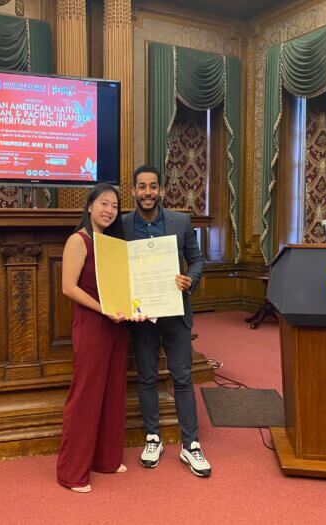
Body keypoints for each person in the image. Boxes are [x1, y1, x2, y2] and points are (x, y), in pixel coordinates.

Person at [122, 165, 211, 478]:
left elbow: (198, 259)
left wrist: (191, 278)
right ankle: (153, 437)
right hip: (141, 315)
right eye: (142, 187)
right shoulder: (122, 225)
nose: (147, 193)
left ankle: (191, 444)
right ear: (133, 191)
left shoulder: (180, 221)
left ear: (160, 190)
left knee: (182, 376)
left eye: (153, 187)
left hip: (175, 311)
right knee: (146, 377)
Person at [56, 183, 131, 493]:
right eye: (103, 203)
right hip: (92, 323)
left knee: (113, 392)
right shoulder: (79, 240)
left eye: (114, 205)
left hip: (117, 325)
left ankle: (107, 459)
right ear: (89, 206)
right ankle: (72, 473)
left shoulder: (114, 244)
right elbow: (68, 288)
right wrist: (104, 309)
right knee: (86, 394)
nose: (108, 210)